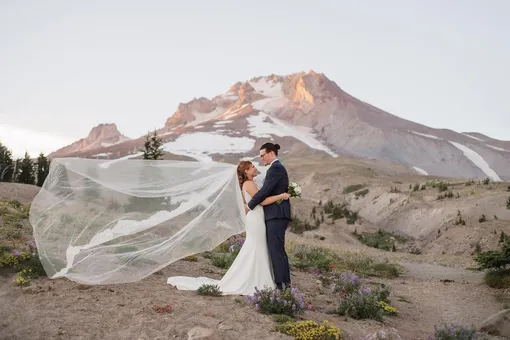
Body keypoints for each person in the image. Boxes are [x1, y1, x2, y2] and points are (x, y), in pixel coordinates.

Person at [166, 160, 290, 295]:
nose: (255, 168)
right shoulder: (249, 184)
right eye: (252, 167)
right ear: (247, 171)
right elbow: (263, 201)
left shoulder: (251, 183)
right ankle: (254, 279)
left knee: (258, 246)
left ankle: (259, 278)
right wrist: (281, 196)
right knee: (256, 246)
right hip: (255, 219)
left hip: (257, 218)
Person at [245, 142, 292, 289]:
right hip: (274, 214)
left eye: (262, 156)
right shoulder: (274, 169)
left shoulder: (276, 168)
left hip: (277, 214)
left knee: (276, 249)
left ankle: (283, 284)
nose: (261, 159)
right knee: (275, 248)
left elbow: (265, 191)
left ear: (271, 153)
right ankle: (282, 282)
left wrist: (249, 206)